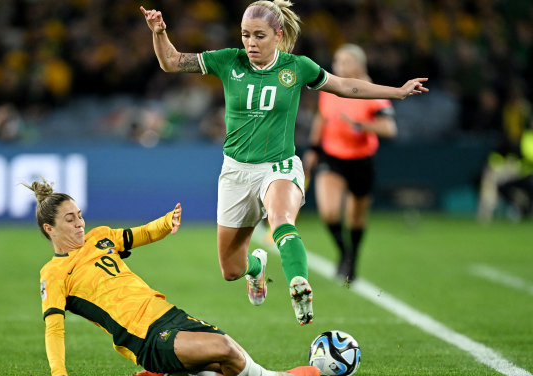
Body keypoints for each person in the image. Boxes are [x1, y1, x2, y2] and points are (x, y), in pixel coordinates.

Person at [140, 0, 428, 325]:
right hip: (235, 172)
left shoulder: (297, 67)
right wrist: (159, 32)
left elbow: (345, 85)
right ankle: (256, 268)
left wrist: (397, 92)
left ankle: (298, 283)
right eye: (246, 35)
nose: (250, 43)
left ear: (278, 35)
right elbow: (171, 62)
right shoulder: (227, 61)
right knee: (231, 269)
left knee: (280, 217)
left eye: (259, 36)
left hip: (278, 167)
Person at [26, 178, 320, 376]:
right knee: (227, 349)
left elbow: (140, 234)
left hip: (168, 313)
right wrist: (58, 371)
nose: (80, 224)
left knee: (230, 362)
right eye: (70, 219)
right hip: (144, 338)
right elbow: (54, 327)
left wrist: (166, 223)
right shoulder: (53, 273)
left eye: (79, 215)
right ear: (49, 228)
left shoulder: (99, 237)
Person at [302, 44, 398, 282]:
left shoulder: (373, 93)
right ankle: (343, 252)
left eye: (344, 62)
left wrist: (362, 126)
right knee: (329, 212)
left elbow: (389, 128)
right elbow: (321, 118)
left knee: (355, 217)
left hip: (361, 161)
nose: (338, 66)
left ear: (359, 65)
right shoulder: (330, 88)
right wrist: (314, 149)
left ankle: (352, 258)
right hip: (332, 156)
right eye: (336, 61)